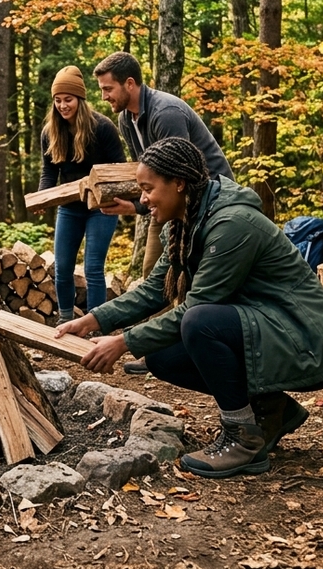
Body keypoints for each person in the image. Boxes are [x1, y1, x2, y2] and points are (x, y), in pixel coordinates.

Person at [55, 137, 323, 478]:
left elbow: (197, 307)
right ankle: (272, 410)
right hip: (268, 327)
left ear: (178, 183)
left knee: (199, 321)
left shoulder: (232, 224)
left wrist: (123, 342)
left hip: (305, 338)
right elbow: (155, 289)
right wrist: (93, 320)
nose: (143, 199)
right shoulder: (185, 223)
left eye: (148, 189)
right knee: (161, 355)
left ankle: (242, 439)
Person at [93, 51, 234, 374]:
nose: (104, 97)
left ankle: (177, 346)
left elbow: (176, 173)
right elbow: (148, 174)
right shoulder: (126, 119)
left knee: (189, 275)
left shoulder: (165, 113)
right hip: (171, 200)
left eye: (108, 89)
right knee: (156, 274)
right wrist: (136, 206)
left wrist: (142, 205)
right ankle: (158, 347)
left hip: (206, 201)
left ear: (130, 83)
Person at [35, 66, 126, 323]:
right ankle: (65, 320)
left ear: (80, 99)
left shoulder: (102, 127)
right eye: (58, 100)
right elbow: (49, 172)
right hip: (69, 208)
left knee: (93, 267)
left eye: (68, 99)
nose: (63, 106)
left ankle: (95, 325)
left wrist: (119, 201)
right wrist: (42, 197)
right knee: (62, 267)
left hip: (102, 207)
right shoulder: (50, 132)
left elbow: (120, 168)